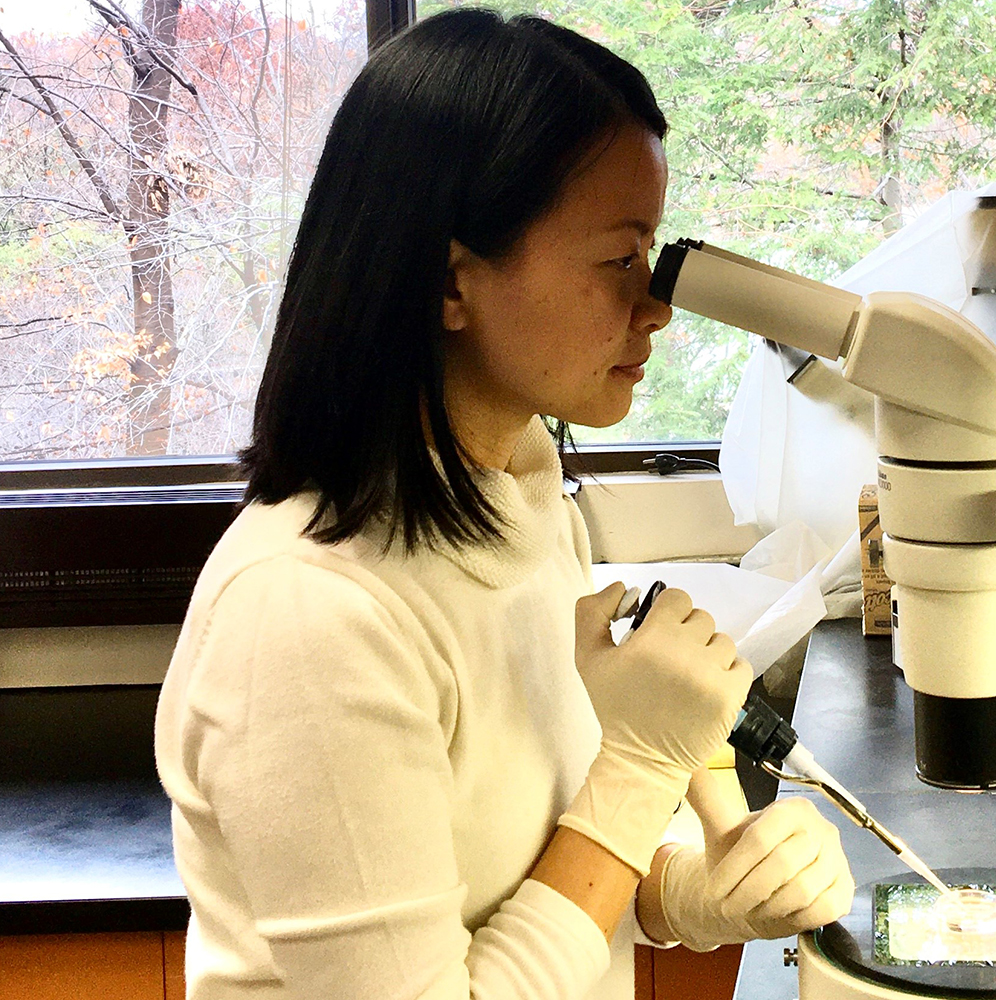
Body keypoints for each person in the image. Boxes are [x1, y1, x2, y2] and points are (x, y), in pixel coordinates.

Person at [154, 10, 855, 1000]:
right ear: (451, 280)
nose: (653, 307)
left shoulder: (518, 498)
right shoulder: (309, 614)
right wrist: (640, 768)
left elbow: (549, 869)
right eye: (620, 258)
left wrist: (701, 893)